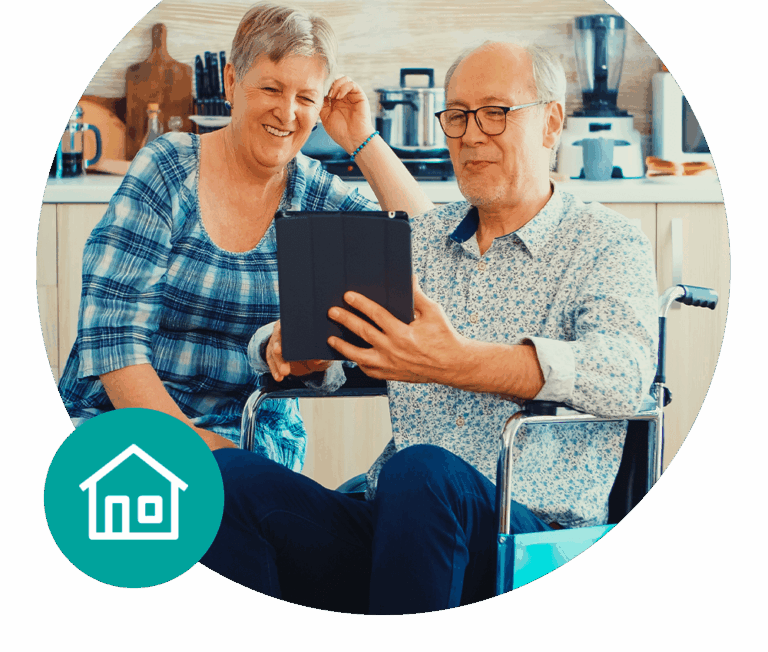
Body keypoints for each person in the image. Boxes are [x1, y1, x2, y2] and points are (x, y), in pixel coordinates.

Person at [200, 40, 659, 614]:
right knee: (220, 482)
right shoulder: (420, 239)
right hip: (396, 519)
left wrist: (458, 361)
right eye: (458, 116)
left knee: (421, 472)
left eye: (495, 113)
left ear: (551, 122)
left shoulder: (606, 242)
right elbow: (339, 348)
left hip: (525, 535)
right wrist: (291, 347)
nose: (470, 135)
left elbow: (625, 374)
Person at [57, 2, 432, 459]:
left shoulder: (314, 194)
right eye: (271, 88)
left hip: (250, 434)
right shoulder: (168, 168)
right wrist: (195, 455)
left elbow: (429, 249)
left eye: (306, 98)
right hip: (127, 421)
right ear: (232, 82)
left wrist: (363, 141)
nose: (287, 113)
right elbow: (115, 343)